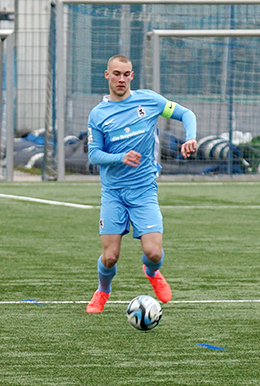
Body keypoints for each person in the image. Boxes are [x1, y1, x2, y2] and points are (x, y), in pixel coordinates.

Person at [85, 54, 198, 313]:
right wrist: (119, 157)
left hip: (144, 190)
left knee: (154, 253)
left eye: (126, 74)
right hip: (113, 193)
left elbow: (186, 113)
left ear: (132, 76)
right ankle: (103, 291)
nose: (121, 79)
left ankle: (152, 271)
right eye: (116, 74)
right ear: (107, 75)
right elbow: (93, 154)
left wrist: (190, 137)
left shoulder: (150, 100)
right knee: (110, 256)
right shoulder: (98, 114)